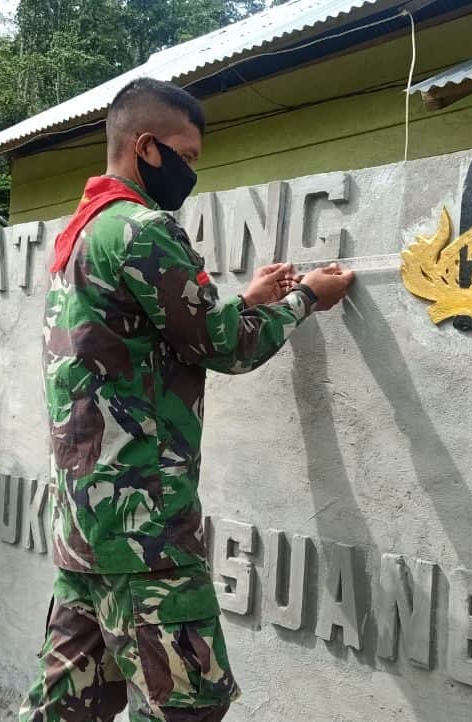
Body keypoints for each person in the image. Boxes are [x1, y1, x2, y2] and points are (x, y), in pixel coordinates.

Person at [21, 78, 354, 722]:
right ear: (147, 147)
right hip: (145, 531)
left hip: (85, 525)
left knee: (68, 708)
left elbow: (153, 338)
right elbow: (226, 348)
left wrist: (251, 299)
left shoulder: (87, 231)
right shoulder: (145, 230)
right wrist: (305, 298)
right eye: (188, 156)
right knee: (187, 707)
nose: (193, 171)